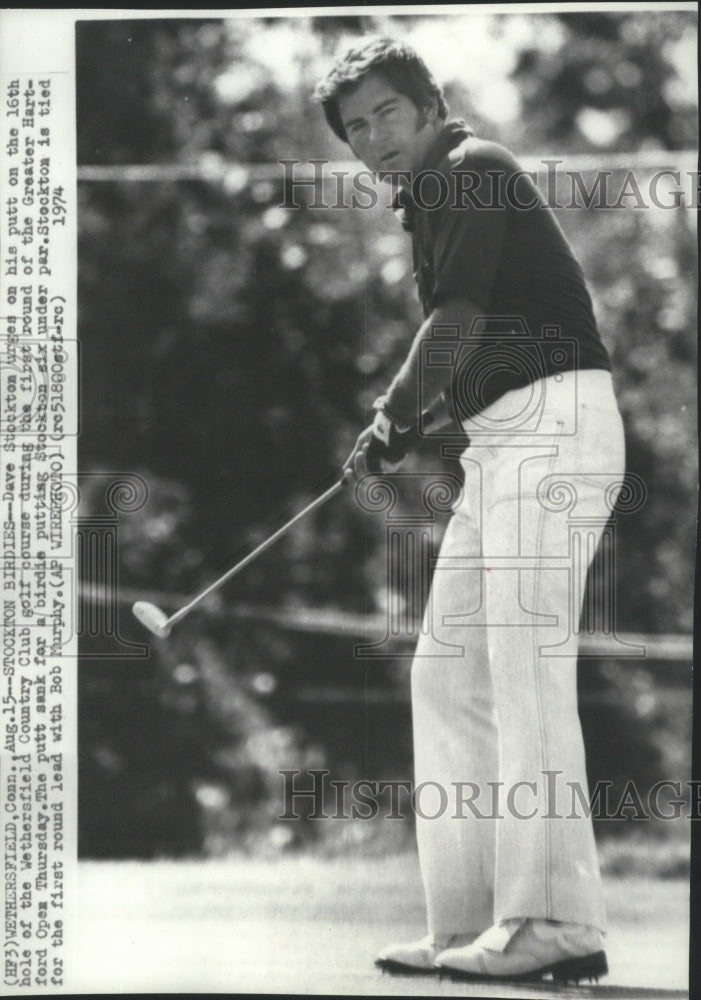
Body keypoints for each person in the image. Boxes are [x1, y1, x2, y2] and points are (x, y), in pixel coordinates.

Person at [314, 37, 625, 985]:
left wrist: (390, 413)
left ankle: (554, 922)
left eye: (387, 116)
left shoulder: (470, 169)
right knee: (447, 674)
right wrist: (406, 426)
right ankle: (469, 923)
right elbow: (471, 347)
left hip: (556, 429)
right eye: (355, 129)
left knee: (523, 671)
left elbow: (455, 324)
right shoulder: (434, 200)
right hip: (501, 441)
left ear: (429, 106)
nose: (373, 140)